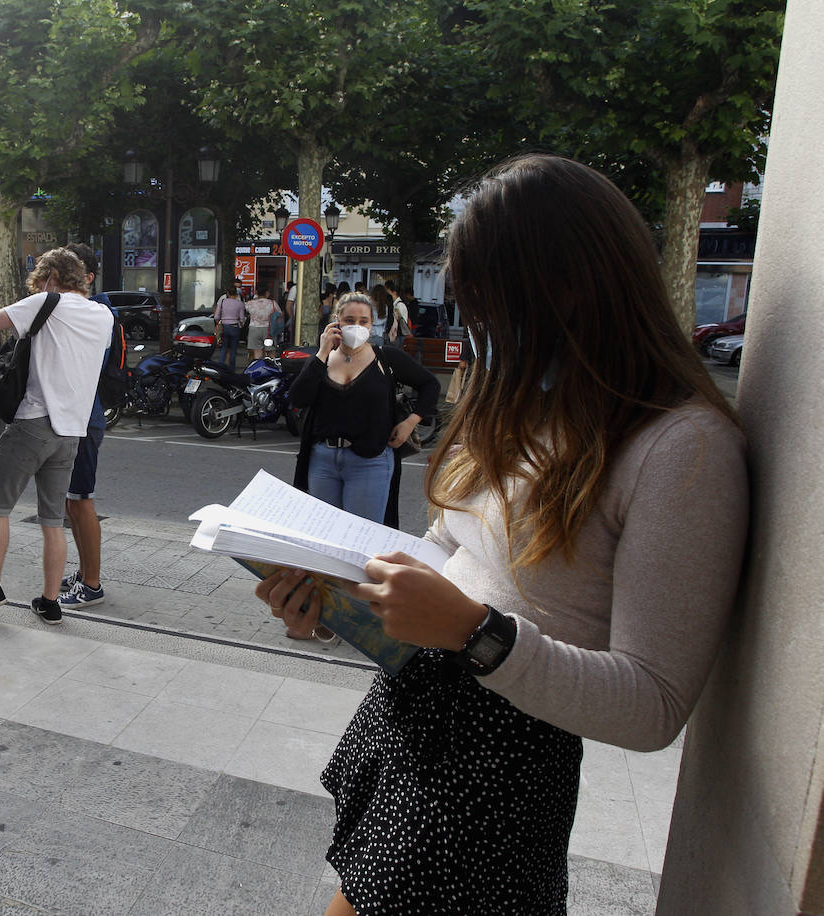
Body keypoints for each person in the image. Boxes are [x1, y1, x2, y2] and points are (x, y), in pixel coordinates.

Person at [256, 155, 748, 915]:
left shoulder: (683, 448)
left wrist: (479, 635)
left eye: (492, 302)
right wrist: (338, 607)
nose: (477, 326)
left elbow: (653, 703)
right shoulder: (516, 402)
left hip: (500, 773)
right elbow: (457, 559)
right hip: (414, 717)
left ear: (575, 287)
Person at [0, 248, 113, 624]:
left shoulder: (48, 301)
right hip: (70, 433)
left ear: (49, 278)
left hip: (32, 422)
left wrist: (29, 301)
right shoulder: (104, 315)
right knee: (51, 519)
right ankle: (49, 600)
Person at [287, 292, 438, 526]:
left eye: (363, 321)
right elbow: (297, 398)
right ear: (336, 320)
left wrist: (410, 422)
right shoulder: (322, 360)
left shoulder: (386, 358)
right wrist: (322, 352)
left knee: (361, 536)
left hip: (371, 461)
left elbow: (430, 384)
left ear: (371, 323)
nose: (356, 326)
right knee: (324, 534)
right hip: (323, 460)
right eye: (349, 320)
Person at [58, 242, 115, 611]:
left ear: (87, 278)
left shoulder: (97, 314)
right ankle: (83, 572)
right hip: (77, 416)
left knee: (81, 501)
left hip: (83, 417)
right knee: (72, 501)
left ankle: (91, 583)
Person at [245, 281, 280, 362]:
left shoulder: (250, 304)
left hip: (254, 330)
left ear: (256, 292)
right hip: (269, 330)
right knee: (271, 352)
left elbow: (244, 310)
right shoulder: (273, 303)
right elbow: (279, 314)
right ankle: (273, 367)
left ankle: (258, 368)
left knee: (257, 353)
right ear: (267, 293)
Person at [212, 285, 245, 367]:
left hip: (225, 326)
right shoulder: (240, 303)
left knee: (224, 348)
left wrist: (218, 323)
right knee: (233, 350)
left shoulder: (223, 302)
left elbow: (216, 316)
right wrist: (241, 325)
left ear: (227, 293)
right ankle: (231, 370)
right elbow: (242, 318)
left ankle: (220, 367)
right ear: (236, 294)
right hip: (235, 327)